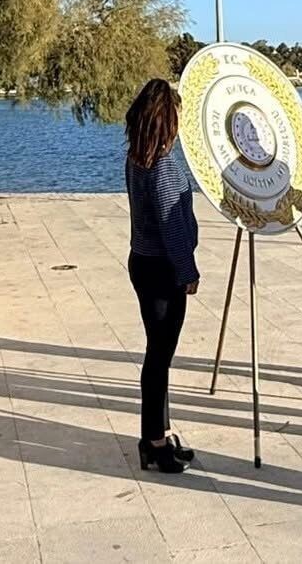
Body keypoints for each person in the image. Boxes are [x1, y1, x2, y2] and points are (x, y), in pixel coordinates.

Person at [125, 79, 200, 474]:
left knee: (158, 353)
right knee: (159, 356)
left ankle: (160, 431)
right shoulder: (164, 167)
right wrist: (187, 271)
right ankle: (153, 441)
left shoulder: (137, 157)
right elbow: (173, 228)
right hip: (163, 270)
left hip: (142, 261)